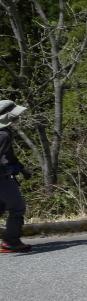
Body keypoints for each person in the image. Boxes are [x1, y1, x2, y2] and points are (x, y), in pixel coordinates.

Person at [0, 100, 33, 252]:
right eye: (16, 115)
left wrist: (21, 168)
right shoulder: (3, 135)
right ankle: (11, 242)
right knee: (17, 208)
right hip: (2, 178)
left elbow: (9, 156)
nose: (18, 117)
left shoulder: (6, 132)